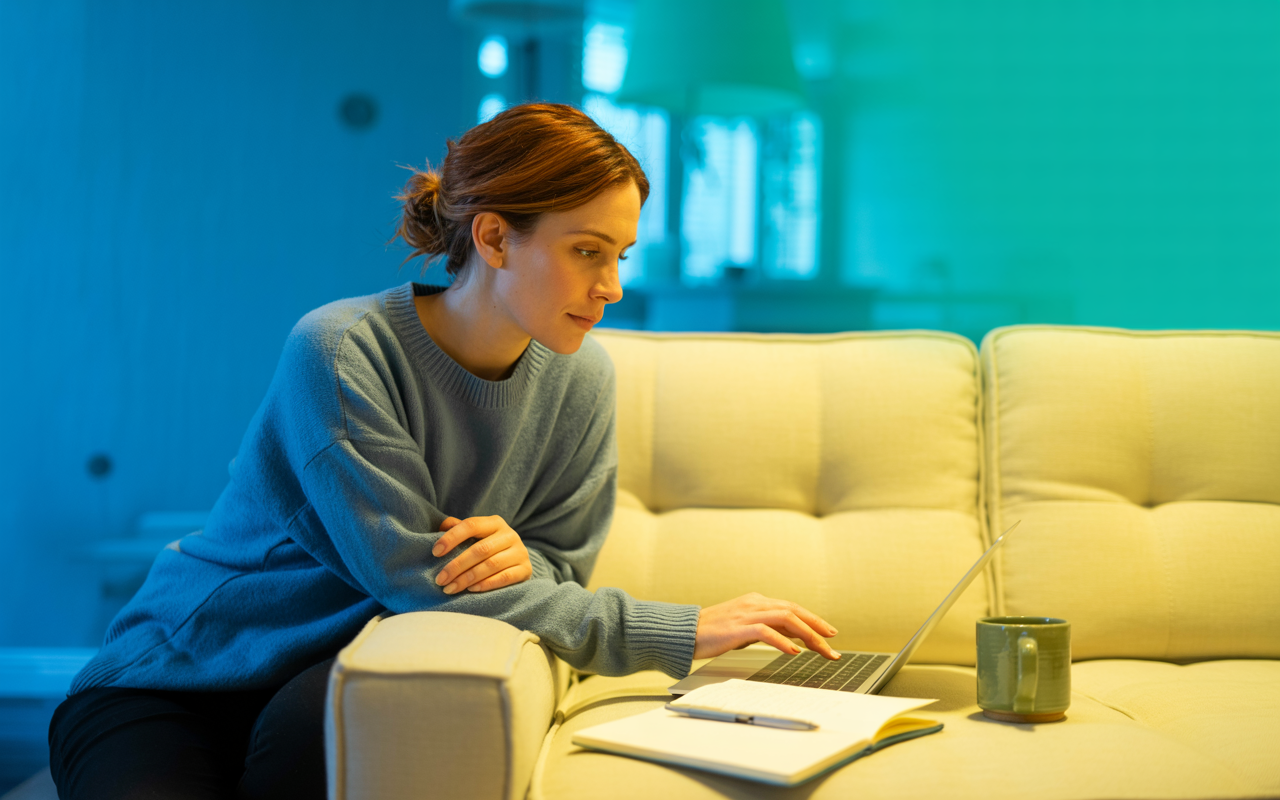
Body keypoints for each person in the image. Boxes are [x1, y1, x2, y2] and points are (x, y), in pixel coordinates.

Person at [48, 102, 838, 800]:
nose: (612, 288)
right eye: (588, 251)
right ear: (494, 237)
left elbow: (559, 567)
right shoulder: (340, 349)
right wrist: (678, 629)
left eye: (620, 256)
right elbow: (416, 572)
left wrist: (523, 554)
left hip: (358, 679)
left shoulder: (582, 375)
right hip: (185, 680)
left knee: (310, 739)